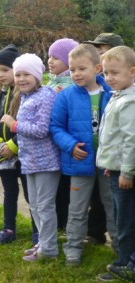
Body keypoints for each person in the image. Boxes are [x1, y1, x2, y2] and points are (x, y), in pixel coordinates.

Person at [49, 44, 118, 267]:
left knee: (112, 206)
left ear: (97, 68)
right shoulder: (67, 96)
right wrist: (70, 146)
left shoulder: (113, 93)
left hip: (109, 163)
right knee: (77, 208)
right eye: (72, 69)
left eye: (82, 68)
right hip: (80, 163)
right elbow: (56, 127)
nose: (76, 74)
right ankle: (73, 249)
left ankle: (121, 248)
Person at [0, 53, 60, 262]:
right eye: (18, 74)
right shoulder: (26, 97)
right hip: (30, 161)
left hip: (46, 161)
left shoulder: (45, 96)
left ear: (37, 75)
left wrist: (13, 125)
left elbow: (41, 130)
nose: (21, 79)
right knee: (34, 205)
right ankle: (42, 244)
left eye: (26, 74)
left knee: (44, 205)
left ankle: (50, 250)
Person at [0, 44, 38, 246]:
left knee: (31, 194)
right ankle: (9, 229)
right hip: (3, 155)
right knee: (9, 192)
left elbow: (29, 125)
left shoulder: (26, 95)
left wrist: (13, 145)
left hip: (24, 154)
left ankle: (37, 230)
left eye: (5, 70)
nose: (1, 75)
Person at [96, 46, 135, 281]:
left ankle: (126, 263)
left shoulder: (129, 102)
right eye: (107, 73)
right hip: (116, 168)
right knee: (123, 216)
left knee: (125, 219)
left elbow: (132, 140)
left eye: (115, 73)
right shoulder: (118, 95)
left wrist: (128, 172)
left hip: (124, 173)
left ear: (132, 72)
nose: (109, 78)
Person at [83, 32, 125, 245]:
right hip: (100, 153)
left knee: (115, 200)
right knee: (97, 197)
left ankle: (121, 245)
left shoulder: (120, 86)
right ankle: (95, 232)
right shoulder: (96, 82)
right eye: (97, 51)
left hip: (121, 158)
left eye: (103, 50)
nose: (99, 54)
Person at [47, 38, 79, 231]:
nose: (50, 61)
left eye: (56, 57)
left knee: (65, 187)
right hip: (54, 143)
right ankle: (60, 223)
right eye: (49, 56)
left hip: (65, 144)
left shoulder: (68, 86)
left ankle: (64, 222)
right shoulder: (53, 82)